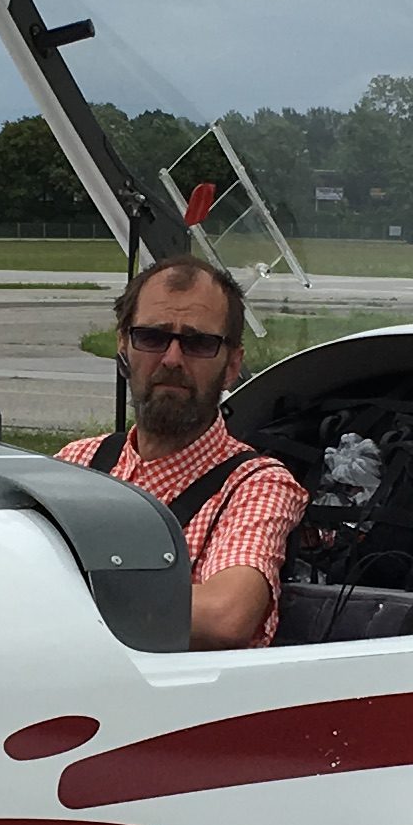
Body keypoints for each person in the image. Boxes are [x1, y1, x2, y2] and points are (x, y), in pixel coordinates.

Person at [59, 258, 307, 649]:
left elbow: (226, 616)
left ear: (232, 366)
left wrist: (57, 595)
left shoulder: (255, 485)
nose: (172, 359)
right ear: (123, 346)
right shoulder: (78, 462)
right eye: (152, 337)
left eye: (198, 343)